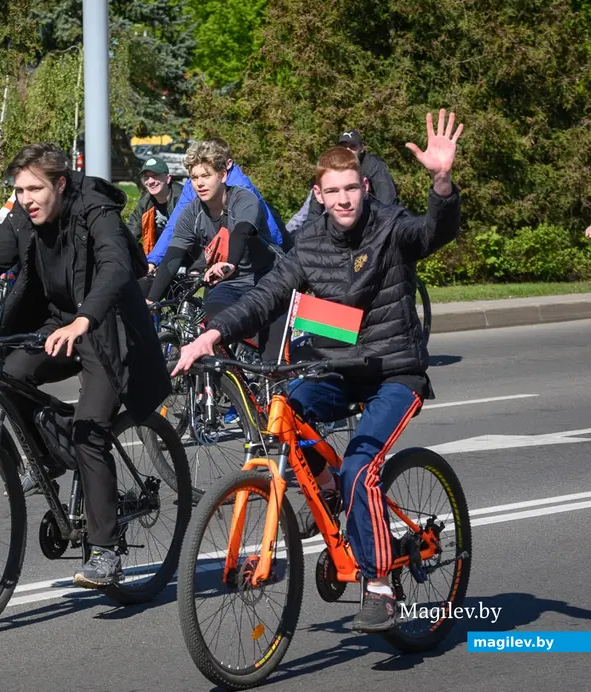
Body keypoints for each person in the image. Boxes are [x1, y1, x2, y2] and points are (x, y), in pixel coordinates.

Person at [172, 109, 465, 633]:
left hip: (394, 371)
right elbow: (265, 296)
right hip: (339, 368)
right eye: (334, 191)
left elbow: (432, 233)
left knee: (360, 468)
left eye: (352, 188)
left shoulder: (390, 227)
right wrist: (211, 335)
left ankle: (379, 585)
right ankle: (328, 493)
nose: (344, 199)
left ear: (364, 188)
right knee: (285, 419)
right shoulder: (308, 244)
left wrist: (441, 182)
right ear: (319, 195)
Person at [0, 143, 171, 589]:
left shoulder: (95, 210)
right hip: (59, 324)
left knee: (90, 429)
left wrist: (85, 319)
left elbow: (114, 267)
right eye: (19, 190)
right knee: (9, 376)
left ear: (60, 184)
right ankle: (49, 457)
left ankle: (105, 551)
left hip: (107, 326)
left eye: (34, 189)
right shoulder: (22, 218)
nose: (25, 199)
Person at [146, 140, 282, 351]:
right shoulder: (192, 212)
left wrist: (230, 264)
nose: (200, 183)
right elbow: (174, 255)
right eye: (194, 178)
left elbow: (241, 232)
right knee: (214, 323)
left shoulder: (243, 198)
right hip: (231, 283)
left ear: (223, 175)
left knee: (270, 354)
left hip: (268, 278)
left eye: (206, 176)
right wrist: (151, 300)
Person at [146, 137, 284, 268]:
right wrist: (153, 260)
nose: (200, 182)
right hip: (225, 253)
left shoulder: (241, 187)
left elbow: (261, 229)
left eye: (212, 167)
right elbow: (175, 224)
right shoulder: (193, 185)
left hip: (261, 250)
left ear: (227, 165)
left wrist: (277, 247)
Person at [288, 129, 399, 235]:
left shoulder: (373, 166)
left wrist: (380, 230)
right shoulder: (332, 164)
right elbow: (314, 209)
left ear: (361, 148)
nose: (348, 150)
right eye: (344, 146)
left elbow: (387, 199)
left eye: (353, 146)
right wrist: (311, 235)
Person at [126, 157, 183, 264]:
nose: (150, 181)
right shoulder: (145, 202)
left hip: (184, 256)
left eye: (156, 175)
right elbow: (131, 233)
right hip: (156, 259)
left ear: (168, 178)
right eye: (146, 177)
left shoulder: (182, 198)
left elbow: (180, 236)